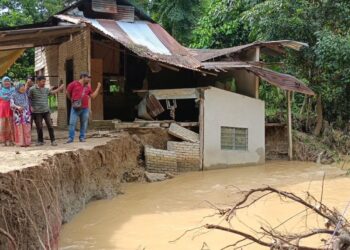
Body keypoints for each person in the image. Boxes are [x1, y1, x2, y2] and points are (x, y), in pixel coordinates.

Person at [28, 76, 64, 146]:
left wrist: (59, 88)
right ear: (38, 81)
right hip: (37, 112)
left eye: (44, 81)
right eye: (43, 81)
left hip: (46, 111)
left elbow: (52, 92)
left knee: (50, 126)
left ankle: (53, 140)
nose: (44, 83)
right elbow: (28, 98)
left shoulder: (46, 89)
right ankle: (40, 141)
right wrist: (31, 106)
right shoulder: (32, 89)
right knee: (39, 127)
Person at [66, 72, 101, 143]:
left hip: (85, 108)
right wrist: (72, 100)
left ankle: (82, 137)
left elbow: (93, 96)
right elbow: (67, 93)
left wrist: (98, 87)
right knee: (72, 123)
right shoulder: (73, 84)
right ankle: (70, 138)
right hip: (75, 107)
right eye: (88, 78)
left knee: (84, 123)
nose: (89, 79)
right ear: (83, 77)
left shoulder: (88, 87)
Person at [10, 82, 31, 147]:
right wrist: (18, 107)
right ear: (17, 88)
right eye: (21, 88)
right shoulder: (13, 95)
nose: (23, 89)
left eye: (23, 88)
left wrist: (24, 107)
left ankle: (27, 142)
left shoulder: (25, 94)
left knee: (26, 127)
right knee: (19, 128)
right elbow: (11, 104)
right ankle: (20, 142)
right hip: (17, 114)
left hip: (25, 113)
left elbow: (27, 103)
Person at [0, 76, 15, 146]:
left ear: (10, 82)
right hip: (2, 110)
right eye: (5, 81)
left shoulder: (13, 89)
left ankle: (10, 140)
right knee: (2, 125)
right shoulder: (0, 90)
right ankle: (3, 141)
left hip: (11, 109)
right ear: (2, 82)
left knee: (10, 125)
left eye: (8, 81)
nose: (6, 82)